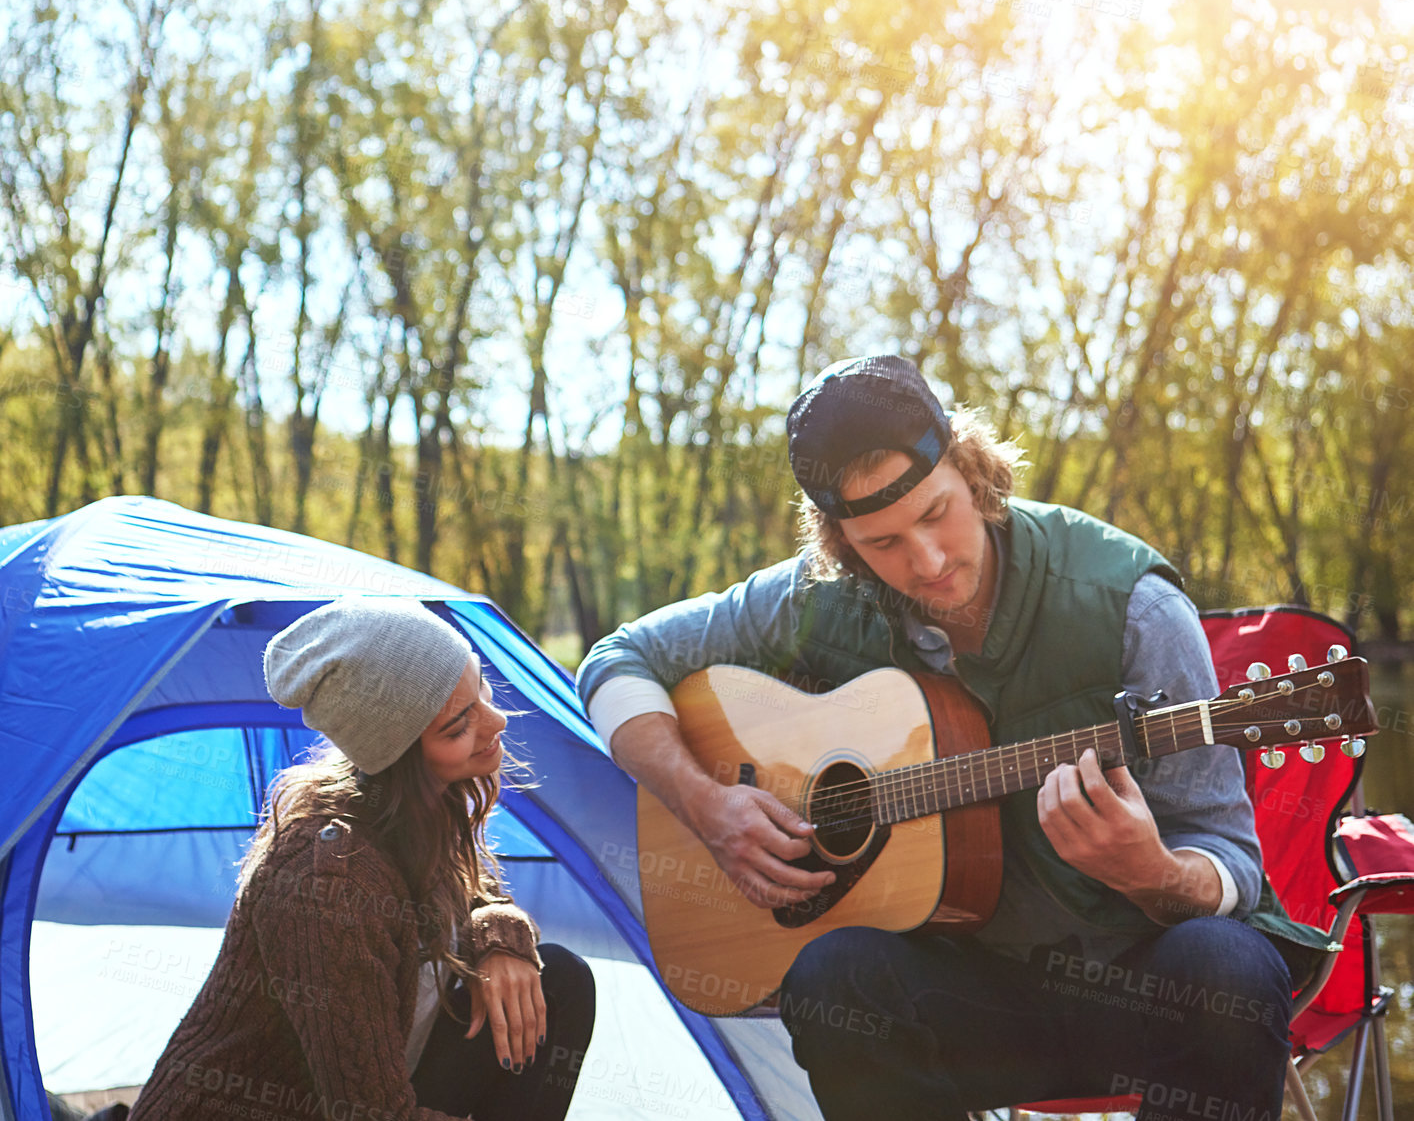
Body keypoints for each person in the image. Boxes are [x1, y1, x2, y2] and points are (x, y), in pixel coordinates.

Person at [577, 354, 1320, 1121]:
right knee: (837, 978)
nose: (926, 562)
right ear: (839, 543)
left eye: (936, 514)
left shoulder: (1133, 606)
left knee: (1227, 968)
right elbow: (614, 660)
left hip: (1138, 989)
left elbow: (1230, 855)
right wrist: (705, 806)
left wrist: (1152, 872)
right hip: (968, 1005)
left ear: (972, 471)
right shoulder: (816, 597)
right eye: (882, 542)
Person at [129, 598, 595, 1121]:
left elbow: (476, 900)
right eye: (458, 725)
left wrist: (500, 935)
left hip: (375, 1088)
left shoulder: (416, 809)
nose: (497, 721)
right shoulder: (328, 879)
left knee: (558, 981)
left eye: (481, 690)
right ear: (399, 754)